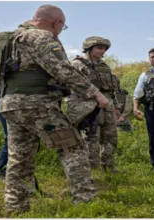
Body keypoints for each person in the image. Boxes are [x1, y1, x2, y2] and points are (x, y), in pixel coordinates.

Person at [0, 5, 109, 215]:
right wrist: (96, 94)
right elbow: (62, 69)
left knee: (19, 157)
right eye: (62, 26)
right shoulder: (40, 36)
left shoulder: (11, 38)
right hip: (38, 104)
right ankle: (85, 201)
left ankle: (15, 207)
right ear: (56, 22)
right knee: (72, 147)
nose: (60, 30)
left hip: (11, 104)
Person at [68, 36, 120, 172]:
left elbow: (112, 88)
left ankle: (108, 165)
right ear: (89, 48)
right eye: (99, 48)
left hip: (107, 105)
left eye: (104, 49)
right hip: (88, 106)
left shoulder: (104, 66)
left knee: (111, 136)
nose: (103, 51)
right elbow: (74, 87)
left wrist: (116, 107)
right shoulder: (77, 64)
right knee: (91, 138)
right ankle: (92, 169)